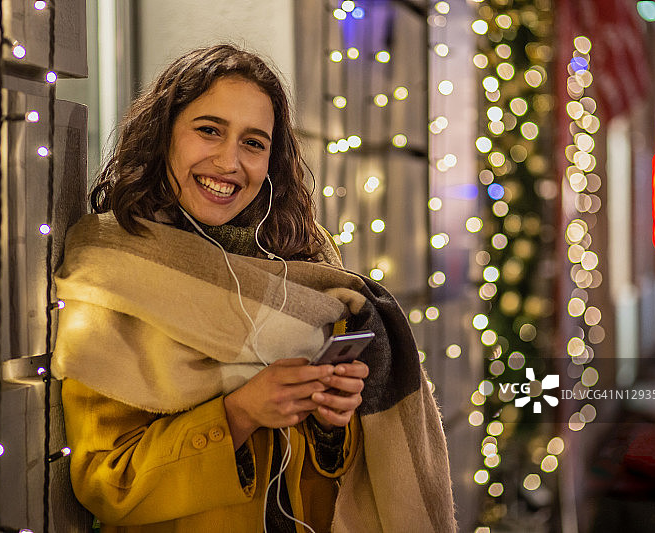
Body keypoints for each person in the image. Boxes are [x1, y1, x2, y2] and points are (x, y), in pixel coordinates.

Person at [52, 45, 455, 533]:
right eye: (209, 131)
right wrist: (239, 415)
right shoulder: (115, 272)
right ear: (163, 137)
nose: (229, 162)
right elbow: (107, 483)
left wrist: (330, 420)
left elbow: (319, 482)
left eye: (253, 142)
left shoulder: (302, 263)